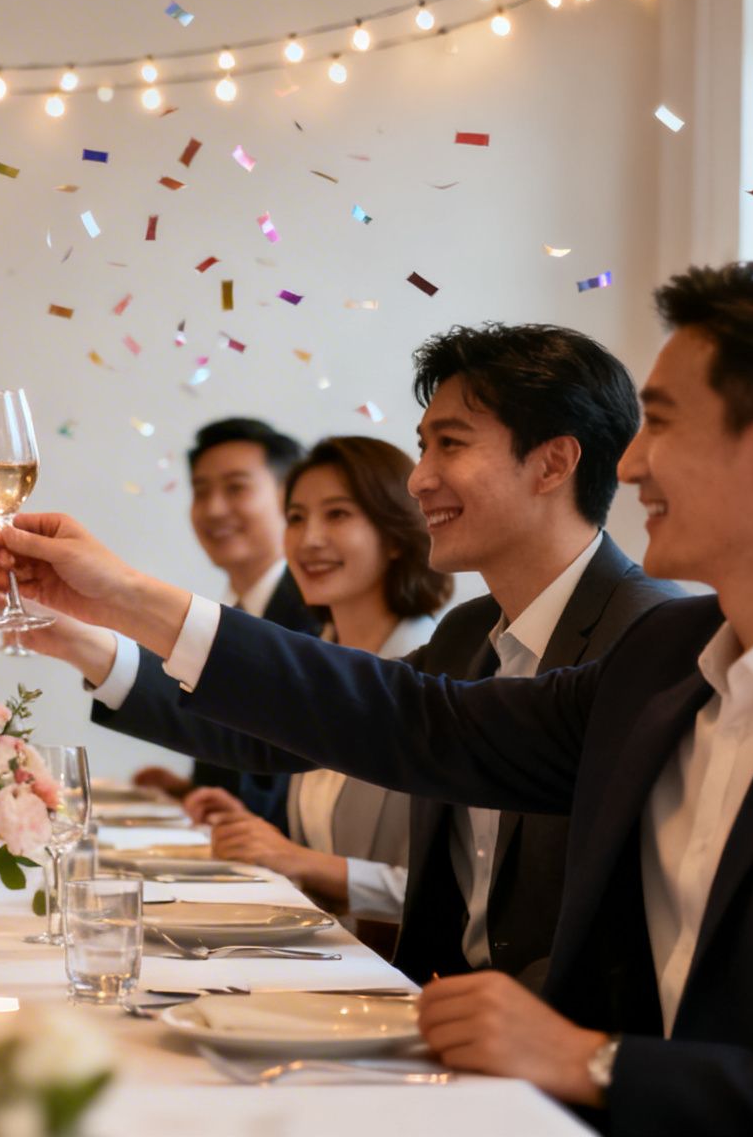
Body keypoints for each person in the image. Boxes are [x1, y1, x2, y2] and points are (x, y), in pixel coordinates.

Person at [0, 263, 753, 1132]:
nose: (636, 462)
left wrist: (592, 1062)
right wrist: (126, 600)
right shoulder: (670, 656)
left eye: (663, 421)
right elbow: (413, 722)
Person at [189, 323, 679, 989]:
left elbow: (643, 928)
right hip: (429, 1009)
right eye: (424, 448)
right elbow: (333, 711)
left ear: (553, 463)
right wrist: (103, 642)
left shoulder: (646, 633)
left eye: (450, 444)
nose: (418, 480)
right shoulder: (467, 632)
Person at [14, 417, 318, 830]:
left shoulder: (314, 616)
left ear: (288, 498)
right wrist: (185, 791)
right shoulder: (242, 611)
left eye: (236, 488)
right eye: (201, 490)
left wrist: (86, 639)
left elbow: (290, 767)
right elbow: (243, 751)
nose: (214, 509)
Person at [199, 437, 447, 941]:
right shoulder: (320, 661)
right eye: (295, 517)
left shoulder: (440, 675)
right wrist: (258, 833)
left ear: (395, 533)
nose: (309, 539)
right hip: (327, 965)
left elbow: (457, 897)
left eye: (337, 515)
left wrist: (302, 861)